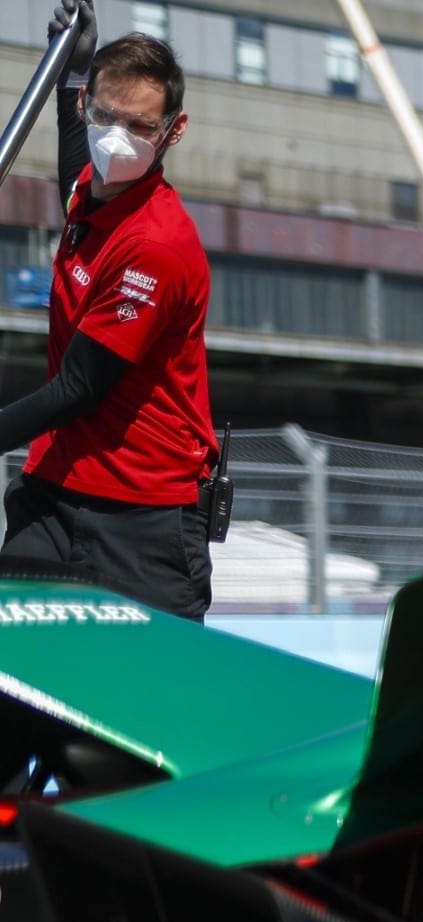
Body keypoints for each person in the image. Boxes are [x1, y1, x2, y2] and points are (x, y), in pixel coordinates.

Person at [0, 7, 219, 621]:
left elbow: (78, 387)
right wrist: (72, 67)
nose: (116, 138)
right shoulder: (90, 195)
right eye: (104, 116)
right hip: (54, 490)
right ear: (85, 107)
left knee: (151, 681)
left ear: (173, 130)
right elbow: (76, 164)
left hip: (141, 517)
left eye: (140, 125)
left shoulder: (156, 243)